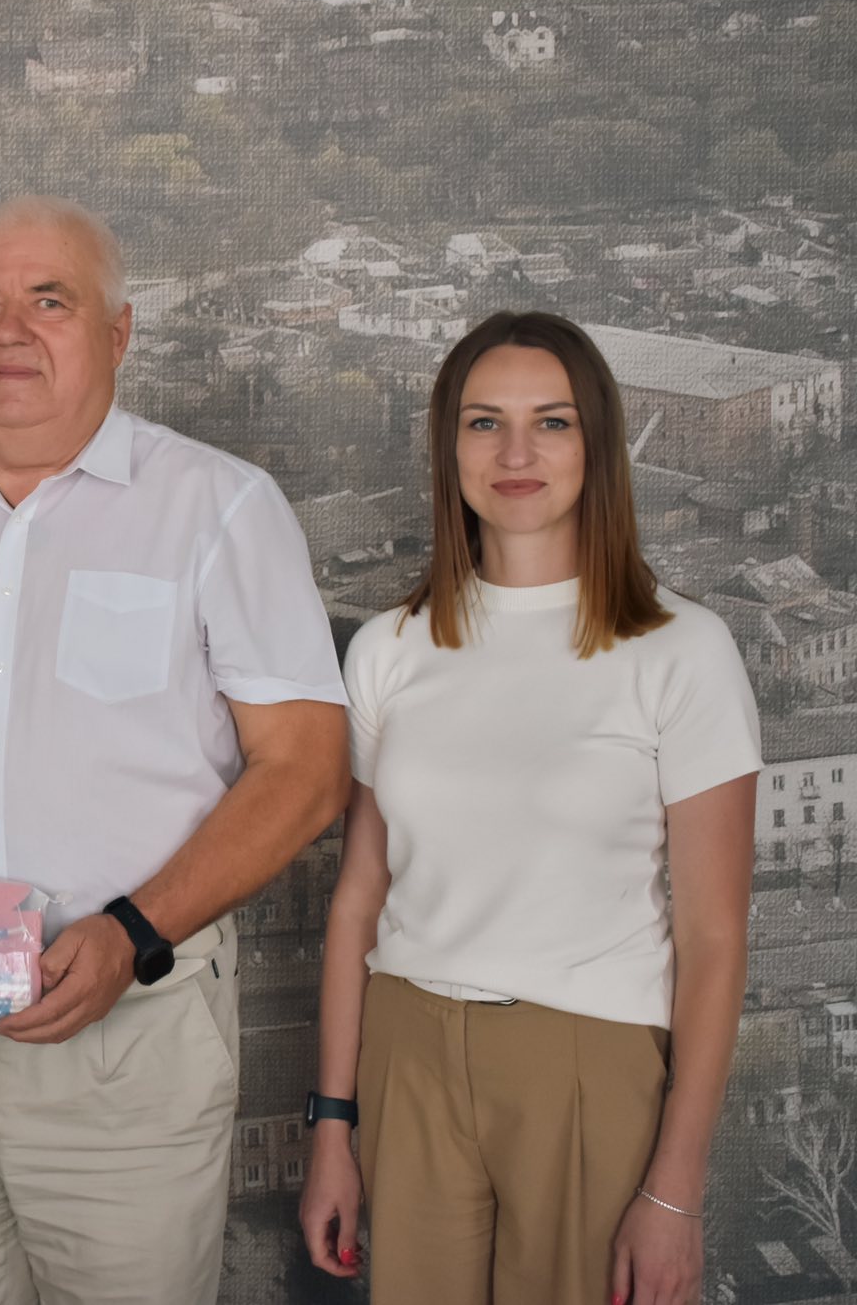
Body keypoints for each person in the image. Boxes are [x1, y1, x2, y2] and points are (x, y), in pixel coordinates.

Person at [0, 196, 351, 1305]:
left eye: (50, 302)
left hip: (128, 1047)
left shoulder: (219, 509)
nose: (9, 331)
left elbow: (306, 771)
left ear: (118, 332)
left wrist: (134, 931)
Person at [298, 312, 760, 1305]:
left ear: (597, 444)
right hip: (407, 1055)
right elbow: (357, 901)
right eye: (483, 423)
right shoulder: (387, 648)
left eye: (550, 422)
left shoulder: (682, 652)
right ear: (447, 446)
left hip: (589, 1059)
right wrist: (332, 1124)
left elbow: (714, 937)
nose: (514, 454)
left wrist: (674, 1188)